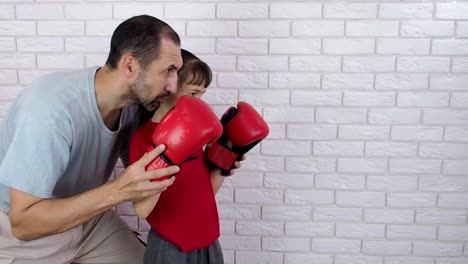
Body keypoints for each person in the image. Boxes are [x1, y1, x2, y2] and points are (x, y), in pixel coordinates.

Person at [0, 15, 183, 263]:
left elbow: (146, 176)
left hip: (89, 218)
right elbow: (24, 223)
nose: (173, 85)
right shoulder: (49, 111)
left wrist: (219, 160)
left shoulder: (131, 104)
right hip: (21, 230)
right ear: (130, 66)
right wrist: (118, 191)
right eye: (168, 71)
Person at [129, 49, 241, 264]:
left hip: (208, 240)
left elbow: (204, 194)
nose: (199, 101)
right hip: (171, 244)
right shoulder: (144, 138)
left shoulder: (195, 133)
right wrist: (167, 159)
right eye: (193, 93)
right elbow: (142, 209)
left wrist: (226, 157)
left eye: (202, 94)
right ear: (169, 87)